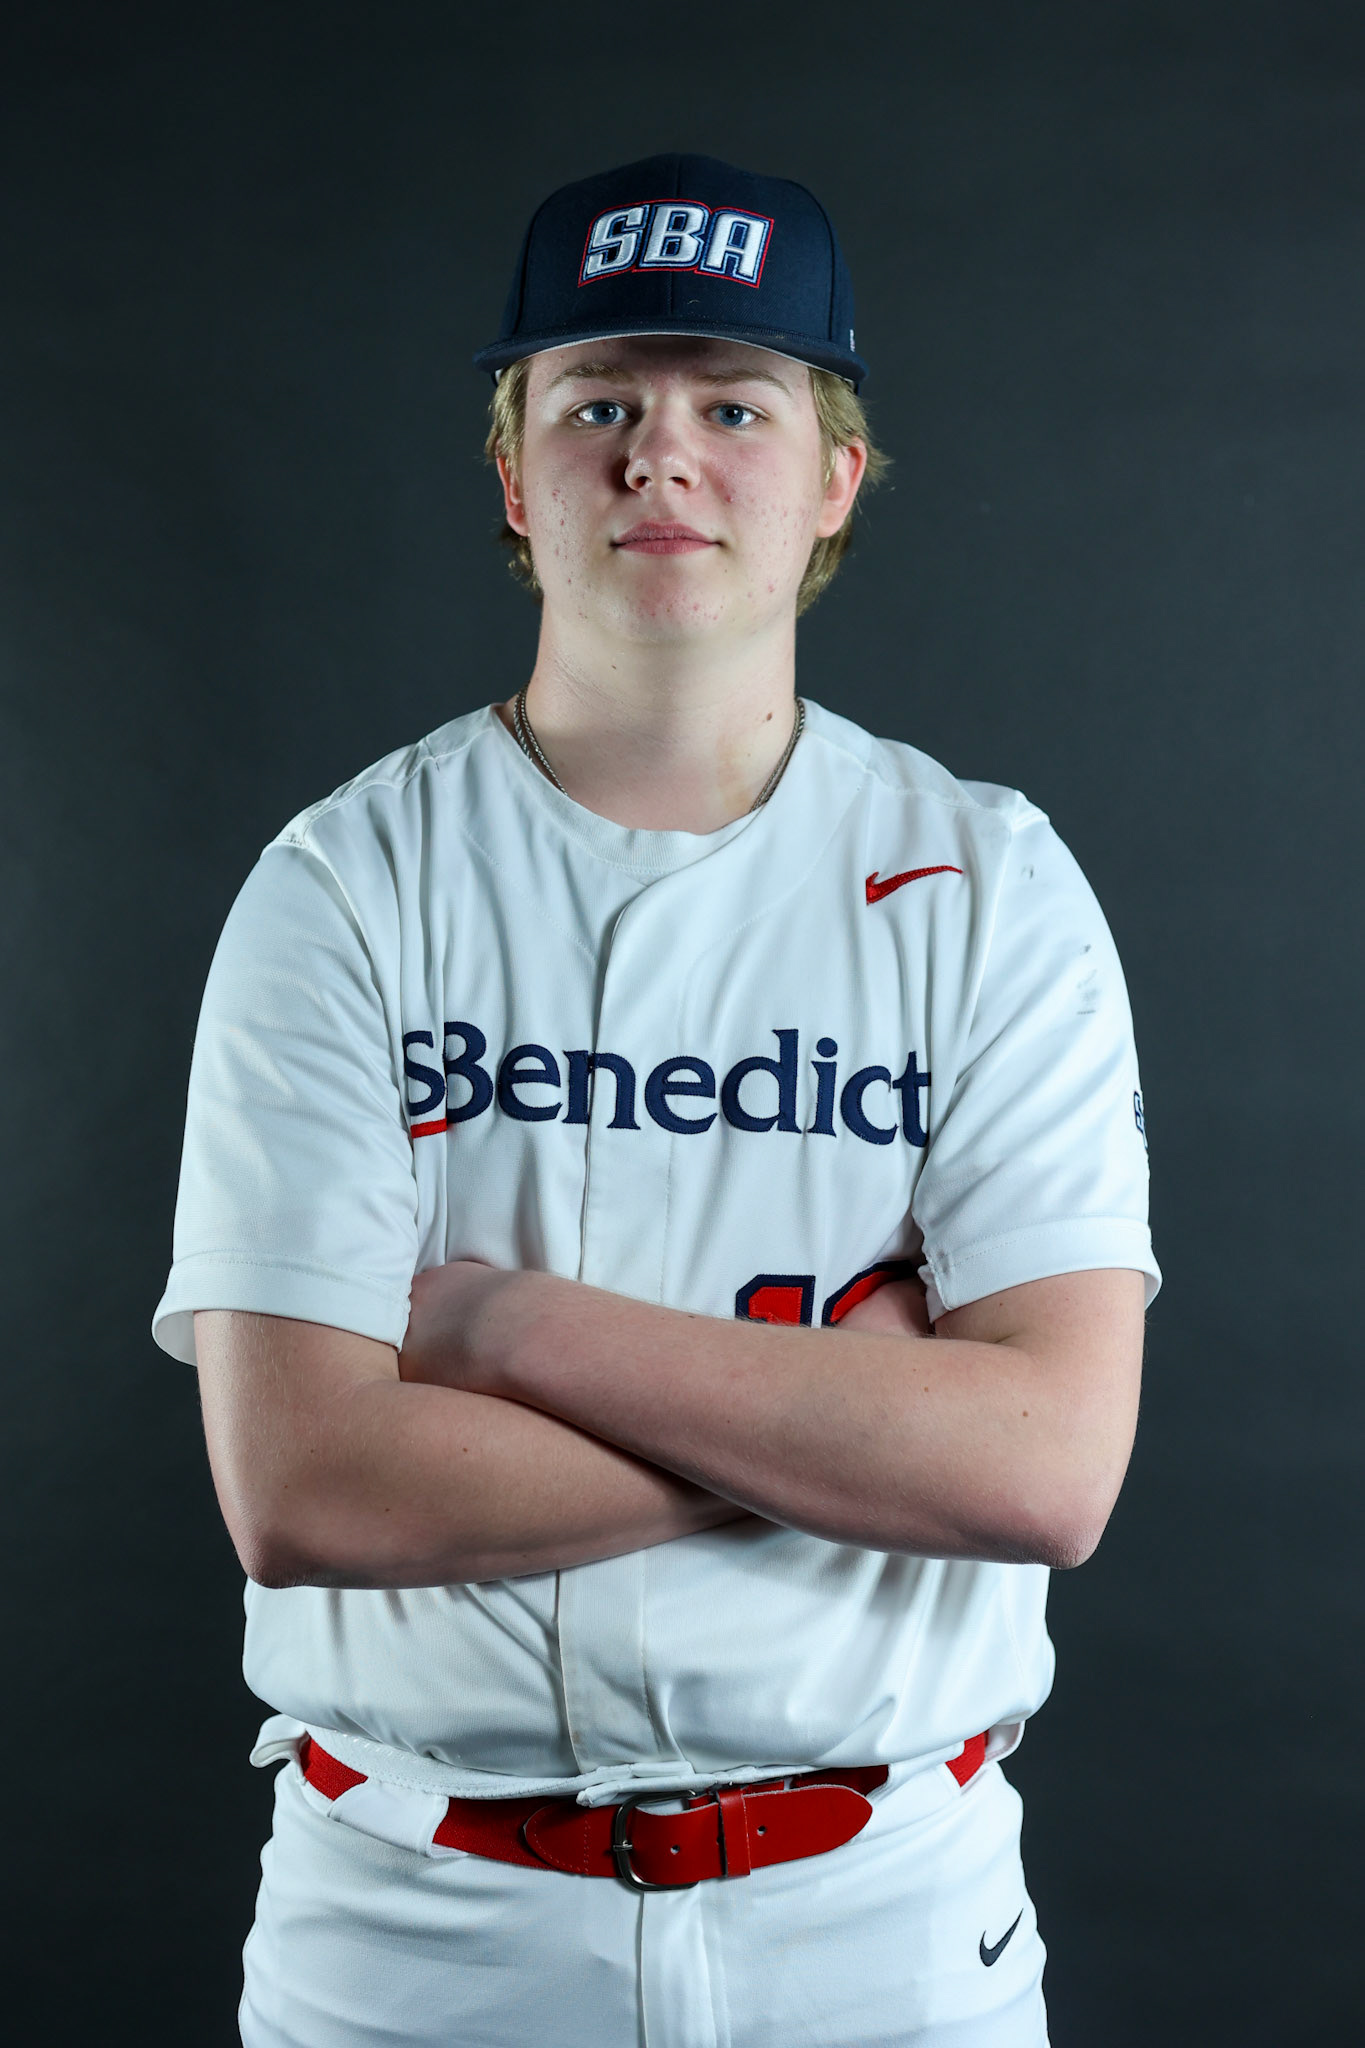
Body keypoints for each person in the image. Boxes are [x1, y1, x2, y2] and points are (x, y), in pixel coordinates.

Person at [154, 152, 1159, 2048]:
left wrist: (505, 1328)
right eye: (596, 400)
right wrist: (855, 1419)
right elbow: (302, 1488)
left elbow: (1037, 1469)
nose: (660, 454)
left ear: (833, 481)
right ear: (515, 481)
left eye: (734, 402)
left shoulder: (988, 880)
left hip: (882, 1929)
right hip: (418, 1939)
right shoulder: (344, 885)